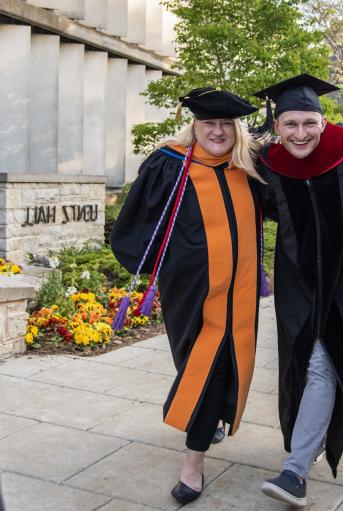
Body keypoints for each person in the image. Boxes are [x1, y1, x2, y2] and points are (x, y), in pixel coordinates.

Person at [111, 87, 266, 505]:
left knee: (215, 366)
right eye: (208, 123)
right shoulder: (170, 164)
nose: (217, 131)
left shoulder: (249, 167)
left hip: (239, 292)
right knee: (194, 362)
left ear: (237, 129)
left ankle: (193, 462)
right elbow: (135, 220)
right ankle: (207, 417)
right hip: (189, 290)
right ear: (194, 125)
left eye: (225, 124)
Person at [251, 74, 343, 507]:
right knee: (302, 363)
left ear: (323, 122)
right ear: (277, 126)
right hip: (297, 284)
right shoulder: (269, 164)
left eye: (308, 123)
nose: (300, 134)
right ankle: (310, 440)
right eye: (290, 125)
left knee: (326, 363)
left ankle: (295, 470)